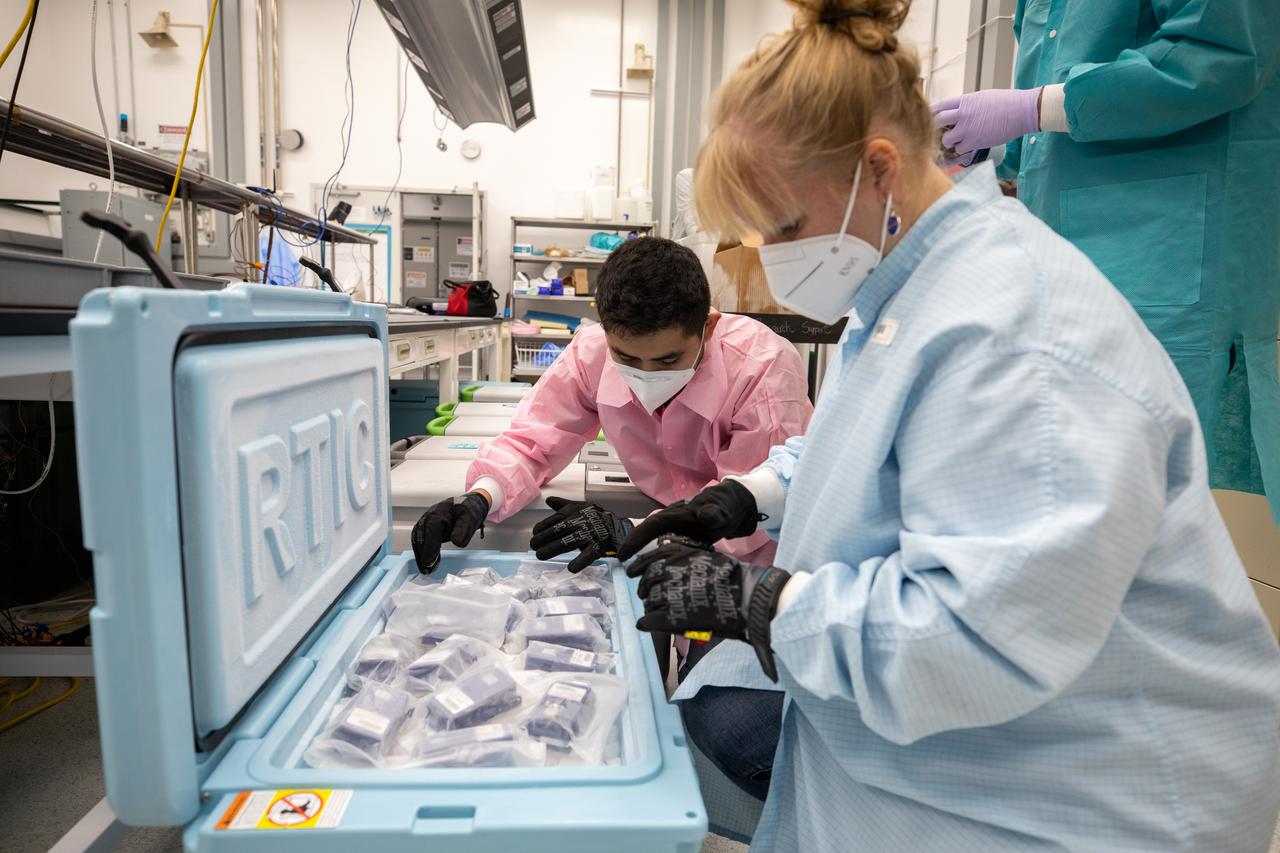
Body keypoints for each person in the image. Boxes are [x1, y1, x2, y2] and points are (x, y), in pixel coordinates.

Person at [617, 1, 1280, 850]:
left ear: (879, 169)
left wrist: (763, 601)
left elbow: (974, 637)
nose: (776, 261)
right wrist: (742, 499)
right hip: (981, 732)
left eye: (784, 228)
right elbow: (861, 440)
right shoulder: (911, 282)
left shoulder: (1014, 328)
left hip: (1092, 799)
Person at [931, 0, 1280, 524]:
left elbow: (1223, 56)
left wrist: (1035, 107)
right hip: (1062, 265)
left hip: (1168, 251)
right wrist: (985, 144)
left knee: (1158, 516)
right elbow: (1044, 139)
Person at [410, 236, 812, 576]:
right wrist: (482, 496)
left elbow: (748, 509)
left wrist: (630, 530)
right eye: (628, 359)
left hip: (753, 566)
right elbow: (535, 439)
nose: (647, 374)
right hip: (661, 531)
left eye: (668, 360)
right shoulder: (593, 352)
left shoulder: (764, 370)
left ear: (707, 326)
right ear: (604, 329)